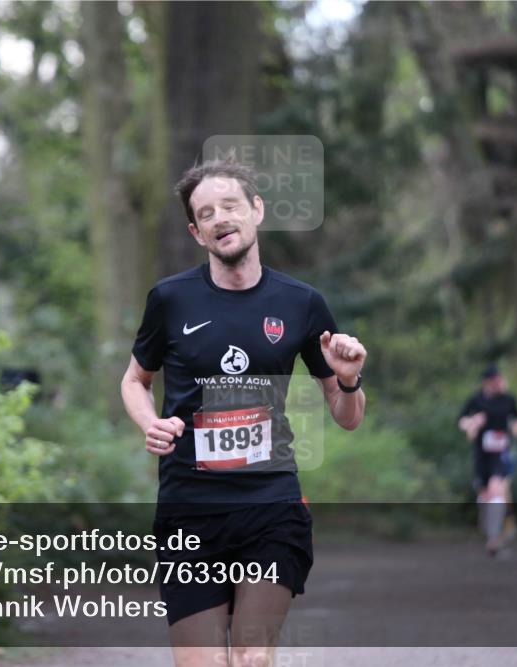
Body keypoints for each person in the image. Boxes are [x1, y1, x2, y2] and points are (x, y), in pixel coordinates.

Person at [121, 157, 366, 666]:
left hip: (271, 504)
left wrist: (348, 379)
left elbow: (347, 415)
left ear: (256, 209)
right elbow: (134, 381)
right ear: (196, 231)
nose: (220, 218)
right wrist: (151, 423)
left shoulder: (302, 303)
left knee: (253, 657)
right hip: (189, 507)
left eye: (230, 205)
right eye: (205, 213)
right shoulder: (170, 299)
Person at [457, 365, 517, 555]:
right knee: (485, 494)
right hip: (481, 453)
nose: (500, 383)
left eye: (501, 379)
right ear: (487, 382)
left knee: (496, 489)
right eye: (496, 380)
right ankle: (489, 527)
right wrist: (472, 422)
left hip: (501, 451)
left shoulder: (509, 399)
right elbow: (461, 421)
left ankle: (493, 540)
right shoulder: (476, 400)